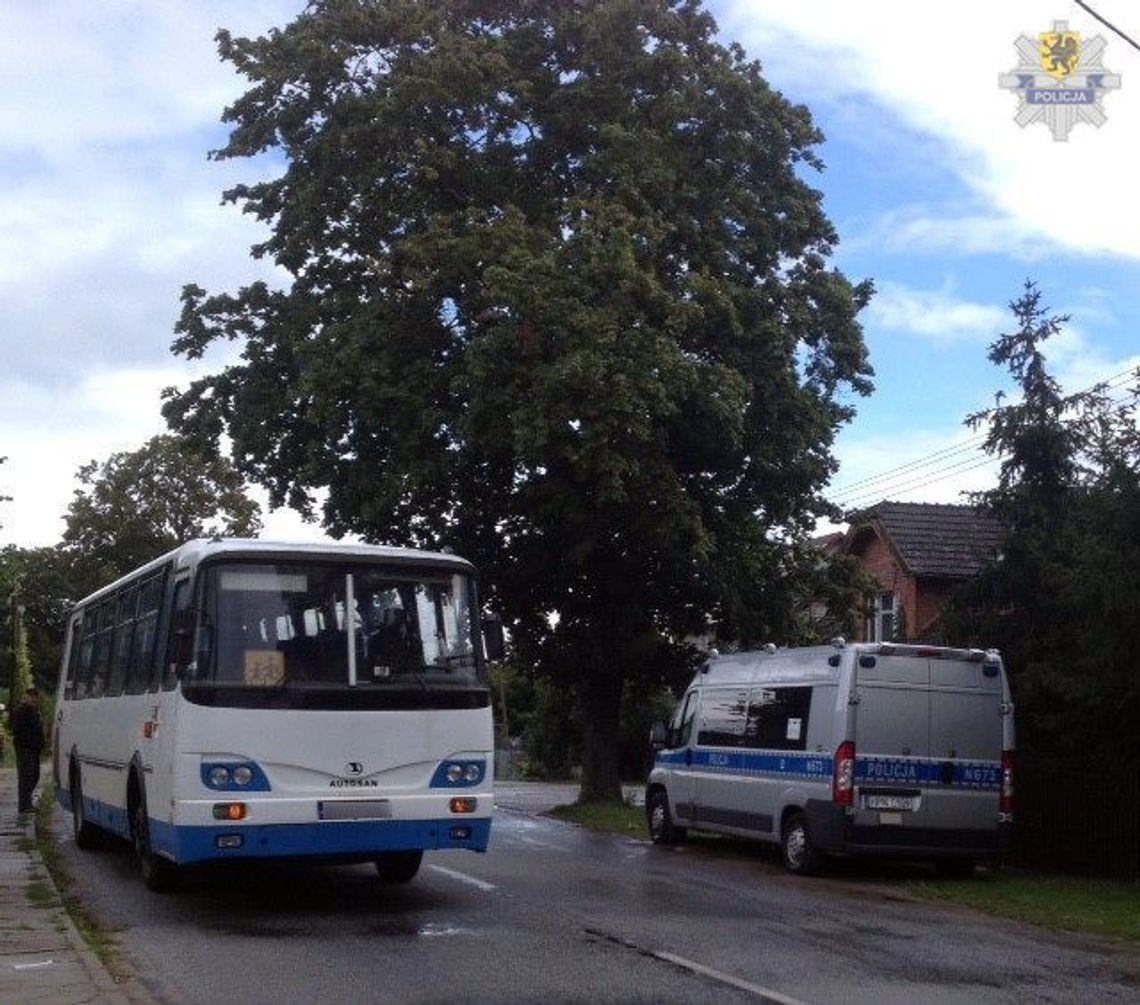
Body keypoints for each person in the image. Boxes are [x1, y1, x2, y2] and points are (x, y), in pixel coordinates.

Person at [12, 687, 45, 814]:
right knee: (27, 777)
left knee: (34, 776)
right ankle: (24, 806)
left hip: (34, 749)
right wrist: (30, 744)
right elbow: (19, 732)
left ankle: (27, 803)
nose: (34, 700)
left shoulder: (34, 711)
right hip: (26, 749)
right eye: (31, 697)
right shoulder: (22, 711)